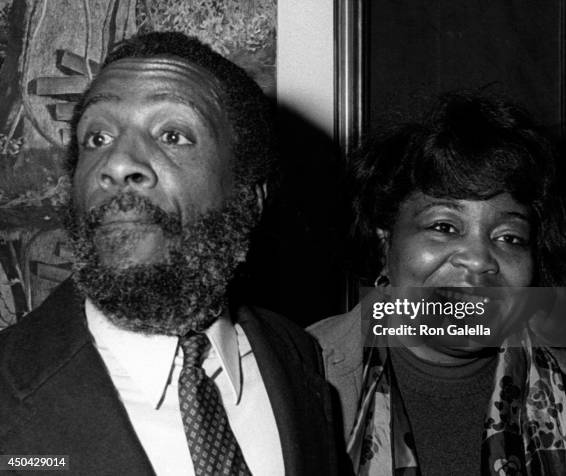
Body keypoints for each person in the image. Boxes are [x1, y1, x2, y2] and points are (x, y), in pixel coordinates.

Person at [0, 31, 340, 476]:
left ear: (248, 198)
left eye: (173, 134)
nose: (118, 163)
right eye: (97, 138)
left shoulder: (299, 360)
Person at [310, 92, 566, 475]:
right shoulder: (297, 376)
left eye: (510, 237)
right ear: (385, 239)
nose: (480, 260)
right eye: (444, 227)